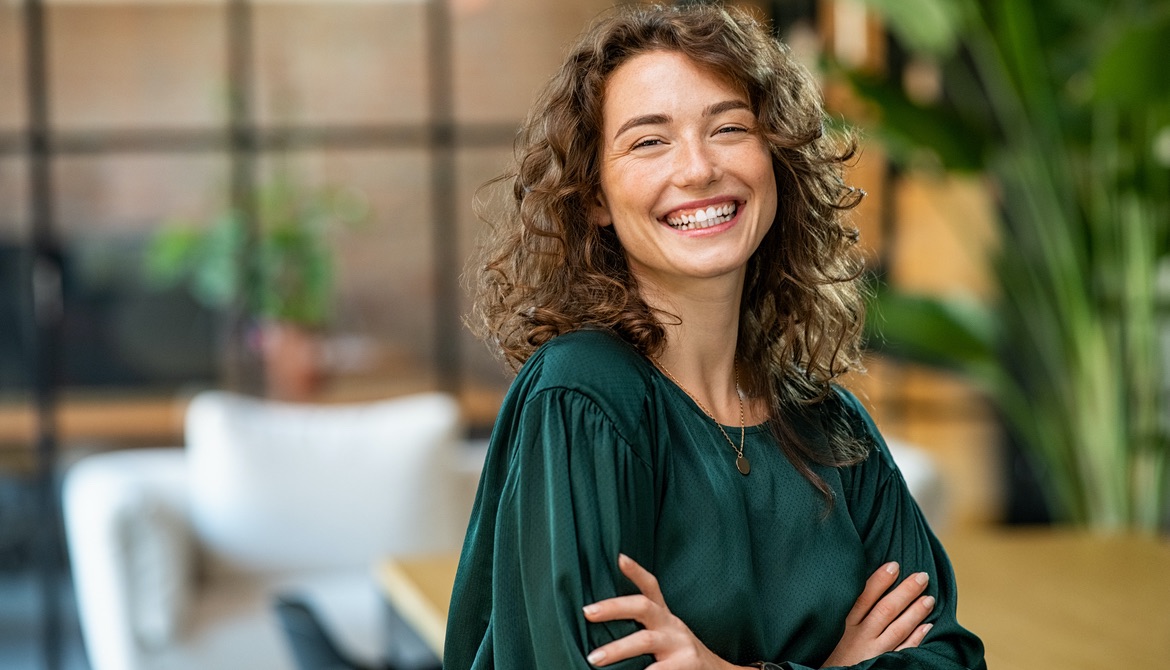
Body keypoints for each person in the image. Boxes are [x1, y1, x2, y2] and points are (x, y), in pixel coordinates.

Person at [445, 4, 985, 669]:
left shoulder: (831, 427)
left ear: (775, 159)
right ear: (593, 197)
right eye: (649, 140)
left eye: (729, 127)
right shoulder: (581, 398)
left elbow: (950, 659)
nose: (698, 168)